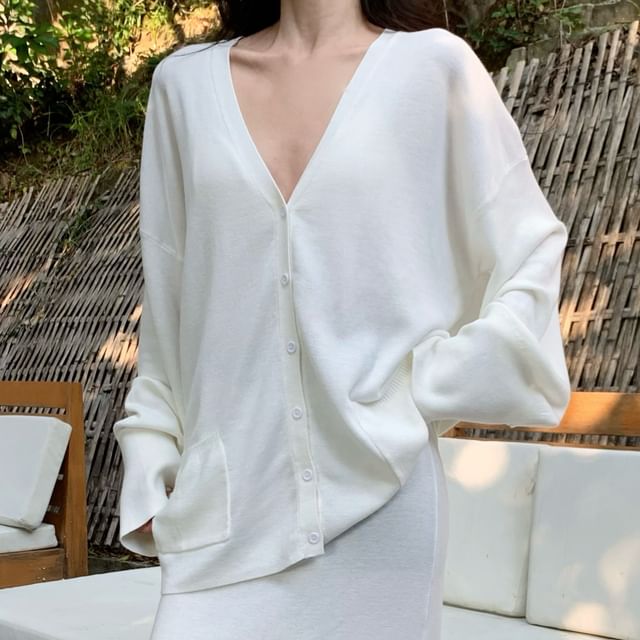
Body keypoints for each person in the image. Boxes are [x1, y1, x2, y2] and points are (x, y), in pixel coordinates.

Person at [113, 1, 572, 638]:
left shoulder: (434, 69)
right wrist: (149, 449)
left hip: (384, 499)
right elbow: (169, 298)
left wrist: (419, 387)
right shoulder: (183, 85)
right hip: (224, 505)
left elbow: (531, 257)